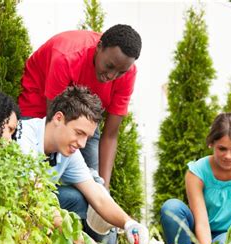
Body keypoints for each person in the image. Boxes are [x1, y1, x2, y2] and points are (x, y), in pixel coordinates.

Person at [16, 85, 149, 244]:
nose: (82, 143)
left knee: (80, 197)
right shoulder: (25, 137)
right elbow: (38, 203)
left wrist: (129, 223)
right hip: (15, 213)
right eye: (79, 133)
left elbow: (98, 197)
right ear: (58, 118)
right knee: (69, 199)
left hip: (37, 212)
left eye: (87, 136)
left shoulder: (68, 151)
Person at [18, 24, 142, 189]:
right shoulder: (66, 57)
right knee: (35, 182)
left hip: (83, 115)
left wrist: (103, 188)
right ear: (99, 47)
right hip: (40, 108)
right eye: (109, 66)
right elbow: (54, 122)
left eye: (120, 72)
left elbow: (110, 135)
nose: (112, 76)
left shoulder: (127, 73)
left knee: (94, 185)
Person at [160, 113, 231, 244]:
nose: (228, 156)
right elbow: (202, 223)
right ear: (211, 143)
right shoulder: (196, 172)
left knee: (224, 243)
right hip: (204, 236)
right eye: (222, 149)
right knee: (172, 208)